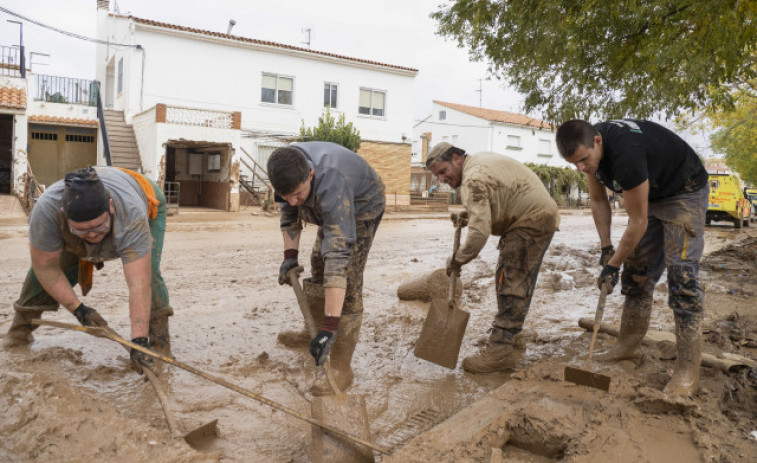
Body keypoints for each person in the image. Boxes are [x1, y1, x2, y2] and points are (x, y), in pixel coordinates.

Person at [556, 119, 709, 398]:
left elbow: (637, 223)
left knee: (682, 279)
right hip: (650, 193)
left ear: (598, 141)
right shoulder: (590, 154)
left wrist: (612, 266)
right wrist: (606, 247)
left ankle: (688, 370)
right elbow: (598, 200)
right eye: (573, 164)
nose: (580, 168)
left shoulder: (626, 154)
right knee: (638, 271)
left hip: (684, 191)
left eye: (582, 160)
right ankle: (627, 346)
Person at [4, 166, 173, 374]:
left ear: (110, 207)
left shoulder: (131, 215)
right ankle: (19, 333)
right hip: (80, 223)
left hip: (144, 197)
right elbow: (46, 269)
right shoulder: (46, 212)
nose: (93, 236)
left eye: (99, 227)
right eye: (83, 230)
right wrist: (79, 310)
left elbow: (139, 283)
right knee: (49, 269)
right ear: (64, 214)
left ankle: (160, 343)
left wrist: (138, 342)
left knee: (150, 274)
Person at [426, 142, 560, 373]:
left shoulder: (473, 180)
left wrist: (457, 259)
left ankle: (500, 350)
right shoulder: (477, 163)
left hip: (530, 221)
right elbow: (497, 200)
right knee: (511, 278)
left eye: (443, 171)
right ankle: (510, 337)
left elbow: (479, 234)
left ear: (457, 158)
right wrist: (469, 215)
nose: (442, 179)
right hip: (536, 215)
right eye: (437, 175)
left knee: (511, 281)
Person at [267, 142, 385, 395]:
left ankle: (342, 367)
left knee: (348, 279)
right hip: (328, 203)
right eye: (285, 195)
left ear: (310, 175)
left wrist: (332, 326)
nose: (292, 201)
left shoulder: (331, 180)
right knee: (318, 263)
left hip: (363, 204)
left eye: (297, 194)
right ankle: (312, 330)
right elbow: (289, 216)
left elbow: (338, 258)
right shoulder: (287, 172)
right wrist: (290, 256)